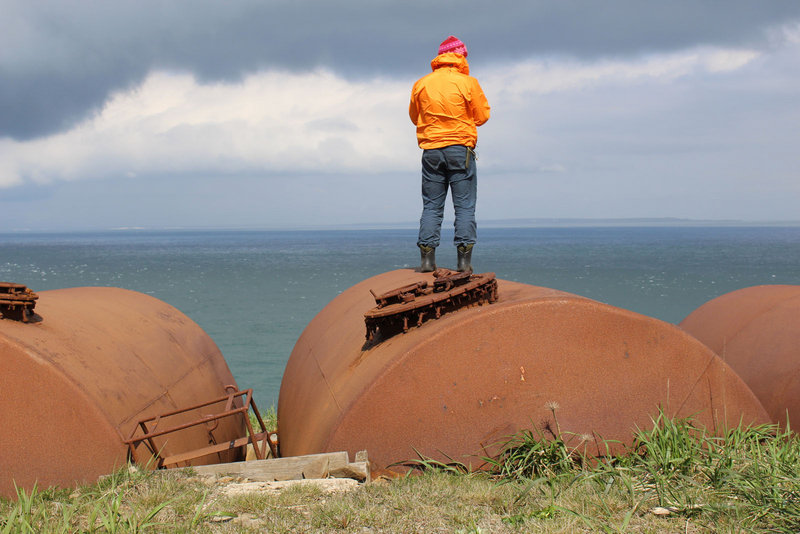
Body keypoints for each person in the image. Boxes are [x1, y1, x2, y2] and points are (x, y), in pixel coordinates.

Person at [409, 35, 490, 273]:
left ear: (440, 57)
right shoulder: (468, 83)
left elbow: (415, 117)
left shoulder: (422, 83)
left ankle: (426, 261)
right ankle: (464, 264)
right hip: (460, 149)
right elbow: (483, 116)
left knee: (432, 206)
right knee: (464, 206)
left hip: (431, 151)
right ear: (461, 57)